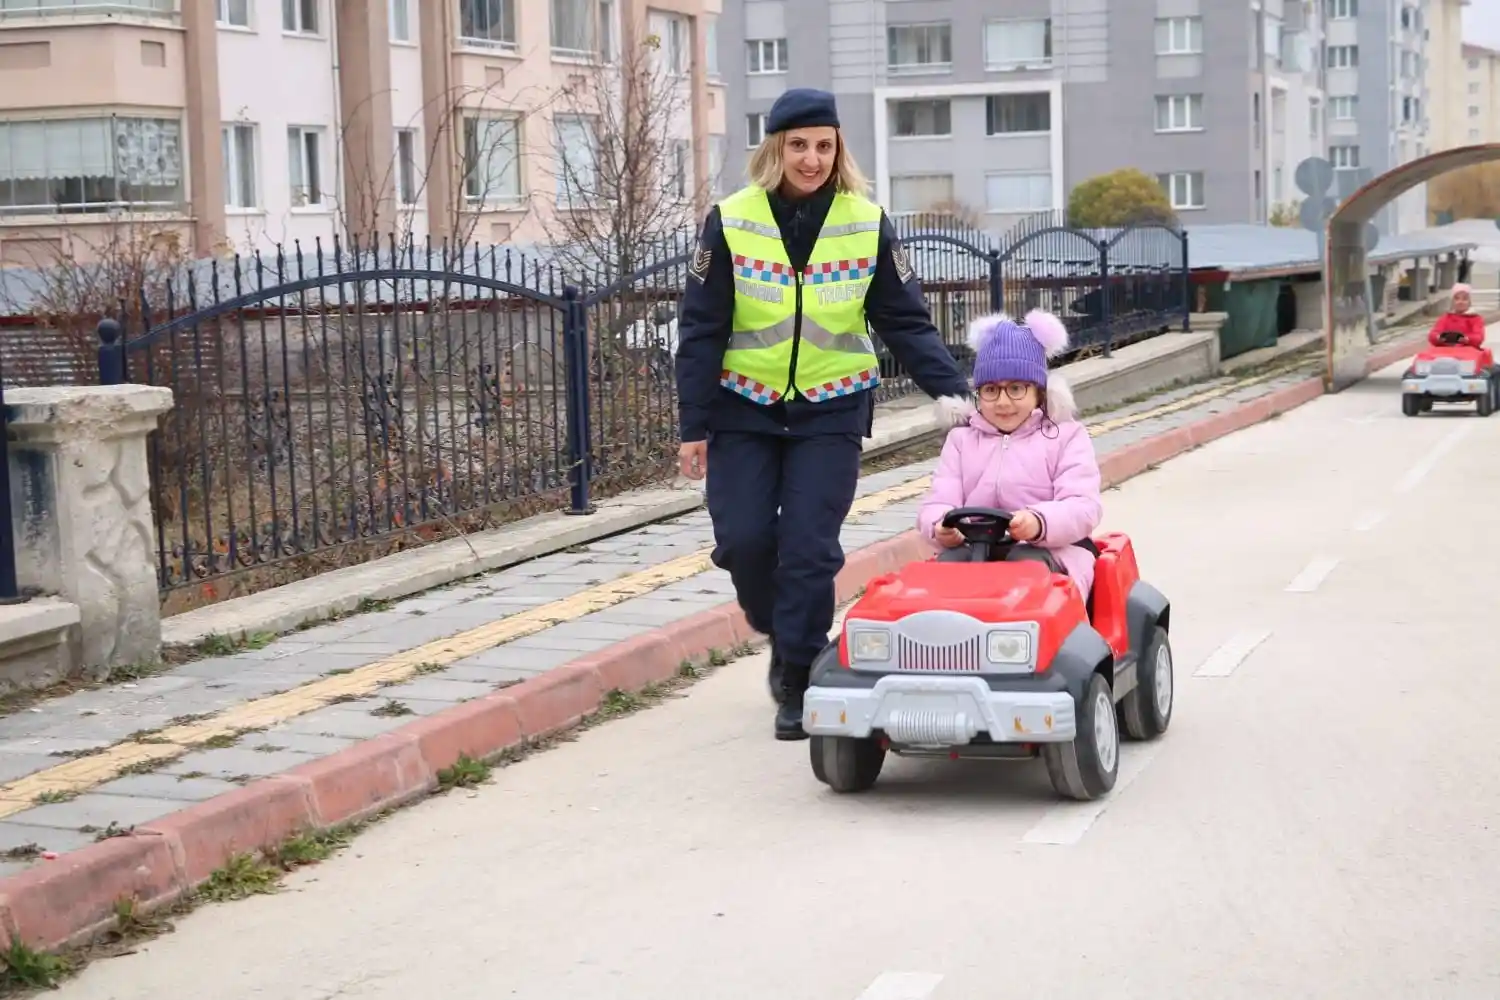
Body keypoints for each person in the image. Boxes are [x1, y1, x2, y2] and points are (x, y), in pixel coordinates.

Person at [674, 88, 973, 741]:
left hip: (830, 410)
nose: (811, 158)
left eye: (823, 145)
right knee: (746, 543)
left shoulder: (865, 222)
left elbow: (903, 320)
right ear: (775, 149)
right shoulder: (731, 219)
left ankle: (797, 676)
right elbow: (701, 328)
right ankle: (787, 631)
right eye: (798, 145)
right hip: (742, 409)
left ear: (839, 151)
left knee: (809, 550)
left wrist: (955, 393)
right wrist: (692, 424)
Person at [916, 310, 1103, 600]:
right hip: (975, 549)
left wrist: (1039, 521)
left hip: (1051, 552)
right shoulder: (961, 440)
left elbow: (1083, 506)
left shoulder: (1066, 437)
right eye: (991, 390)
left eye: (1016, 389)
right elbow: (940, 500)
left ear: (1038, 392)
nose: (1003, 402)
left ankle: (1034, 641)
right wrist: (940, 526)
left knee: (1023, 566)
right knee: (947, 570)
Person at [1427, 283, 1486, 349]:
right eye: (1457, 299)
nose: (1460, 302)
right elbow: (1433, 334)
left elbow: (1478, 337)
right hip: (1445, 351)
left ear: (1469, 302)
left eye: (1464, 299)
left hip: (1467, 352)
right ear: (1452, 301)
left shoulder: (1475, 319)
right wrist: (1440, 337)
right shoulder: (1446, 317)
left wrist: (1465, 339)